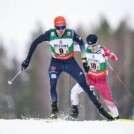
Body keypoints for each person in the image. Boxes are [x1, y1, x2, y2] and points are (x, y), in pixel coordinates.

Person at [21, 16, 114, 120]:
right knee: (52, 83)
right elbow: (35, 42)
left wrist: (84, 61)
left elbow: (82, 43)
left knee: (84, 84)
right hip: (56, 62)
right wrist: (27, 60)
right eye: (58, 27)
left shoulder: (71, 34)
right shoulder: (49, 34)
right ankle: (54, 109)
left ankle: (101, 110)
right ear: (55, 27)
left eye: (63, 27)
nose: (61, 30)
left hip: (70, 62)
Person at [71, 34, 119, 119]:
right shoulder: (85, 48)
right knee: (74, 91)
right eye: (90, 46)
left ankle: (117, 117)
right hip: (89, 79)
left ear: (97, 43)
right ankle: (74, 113)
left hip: (101, 81)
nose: (92, 48)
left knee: (109, 102)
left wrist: (109, 55)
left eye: (93, 46)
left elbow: (115, 58)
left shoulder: (102, 50)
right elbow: (72, 47)